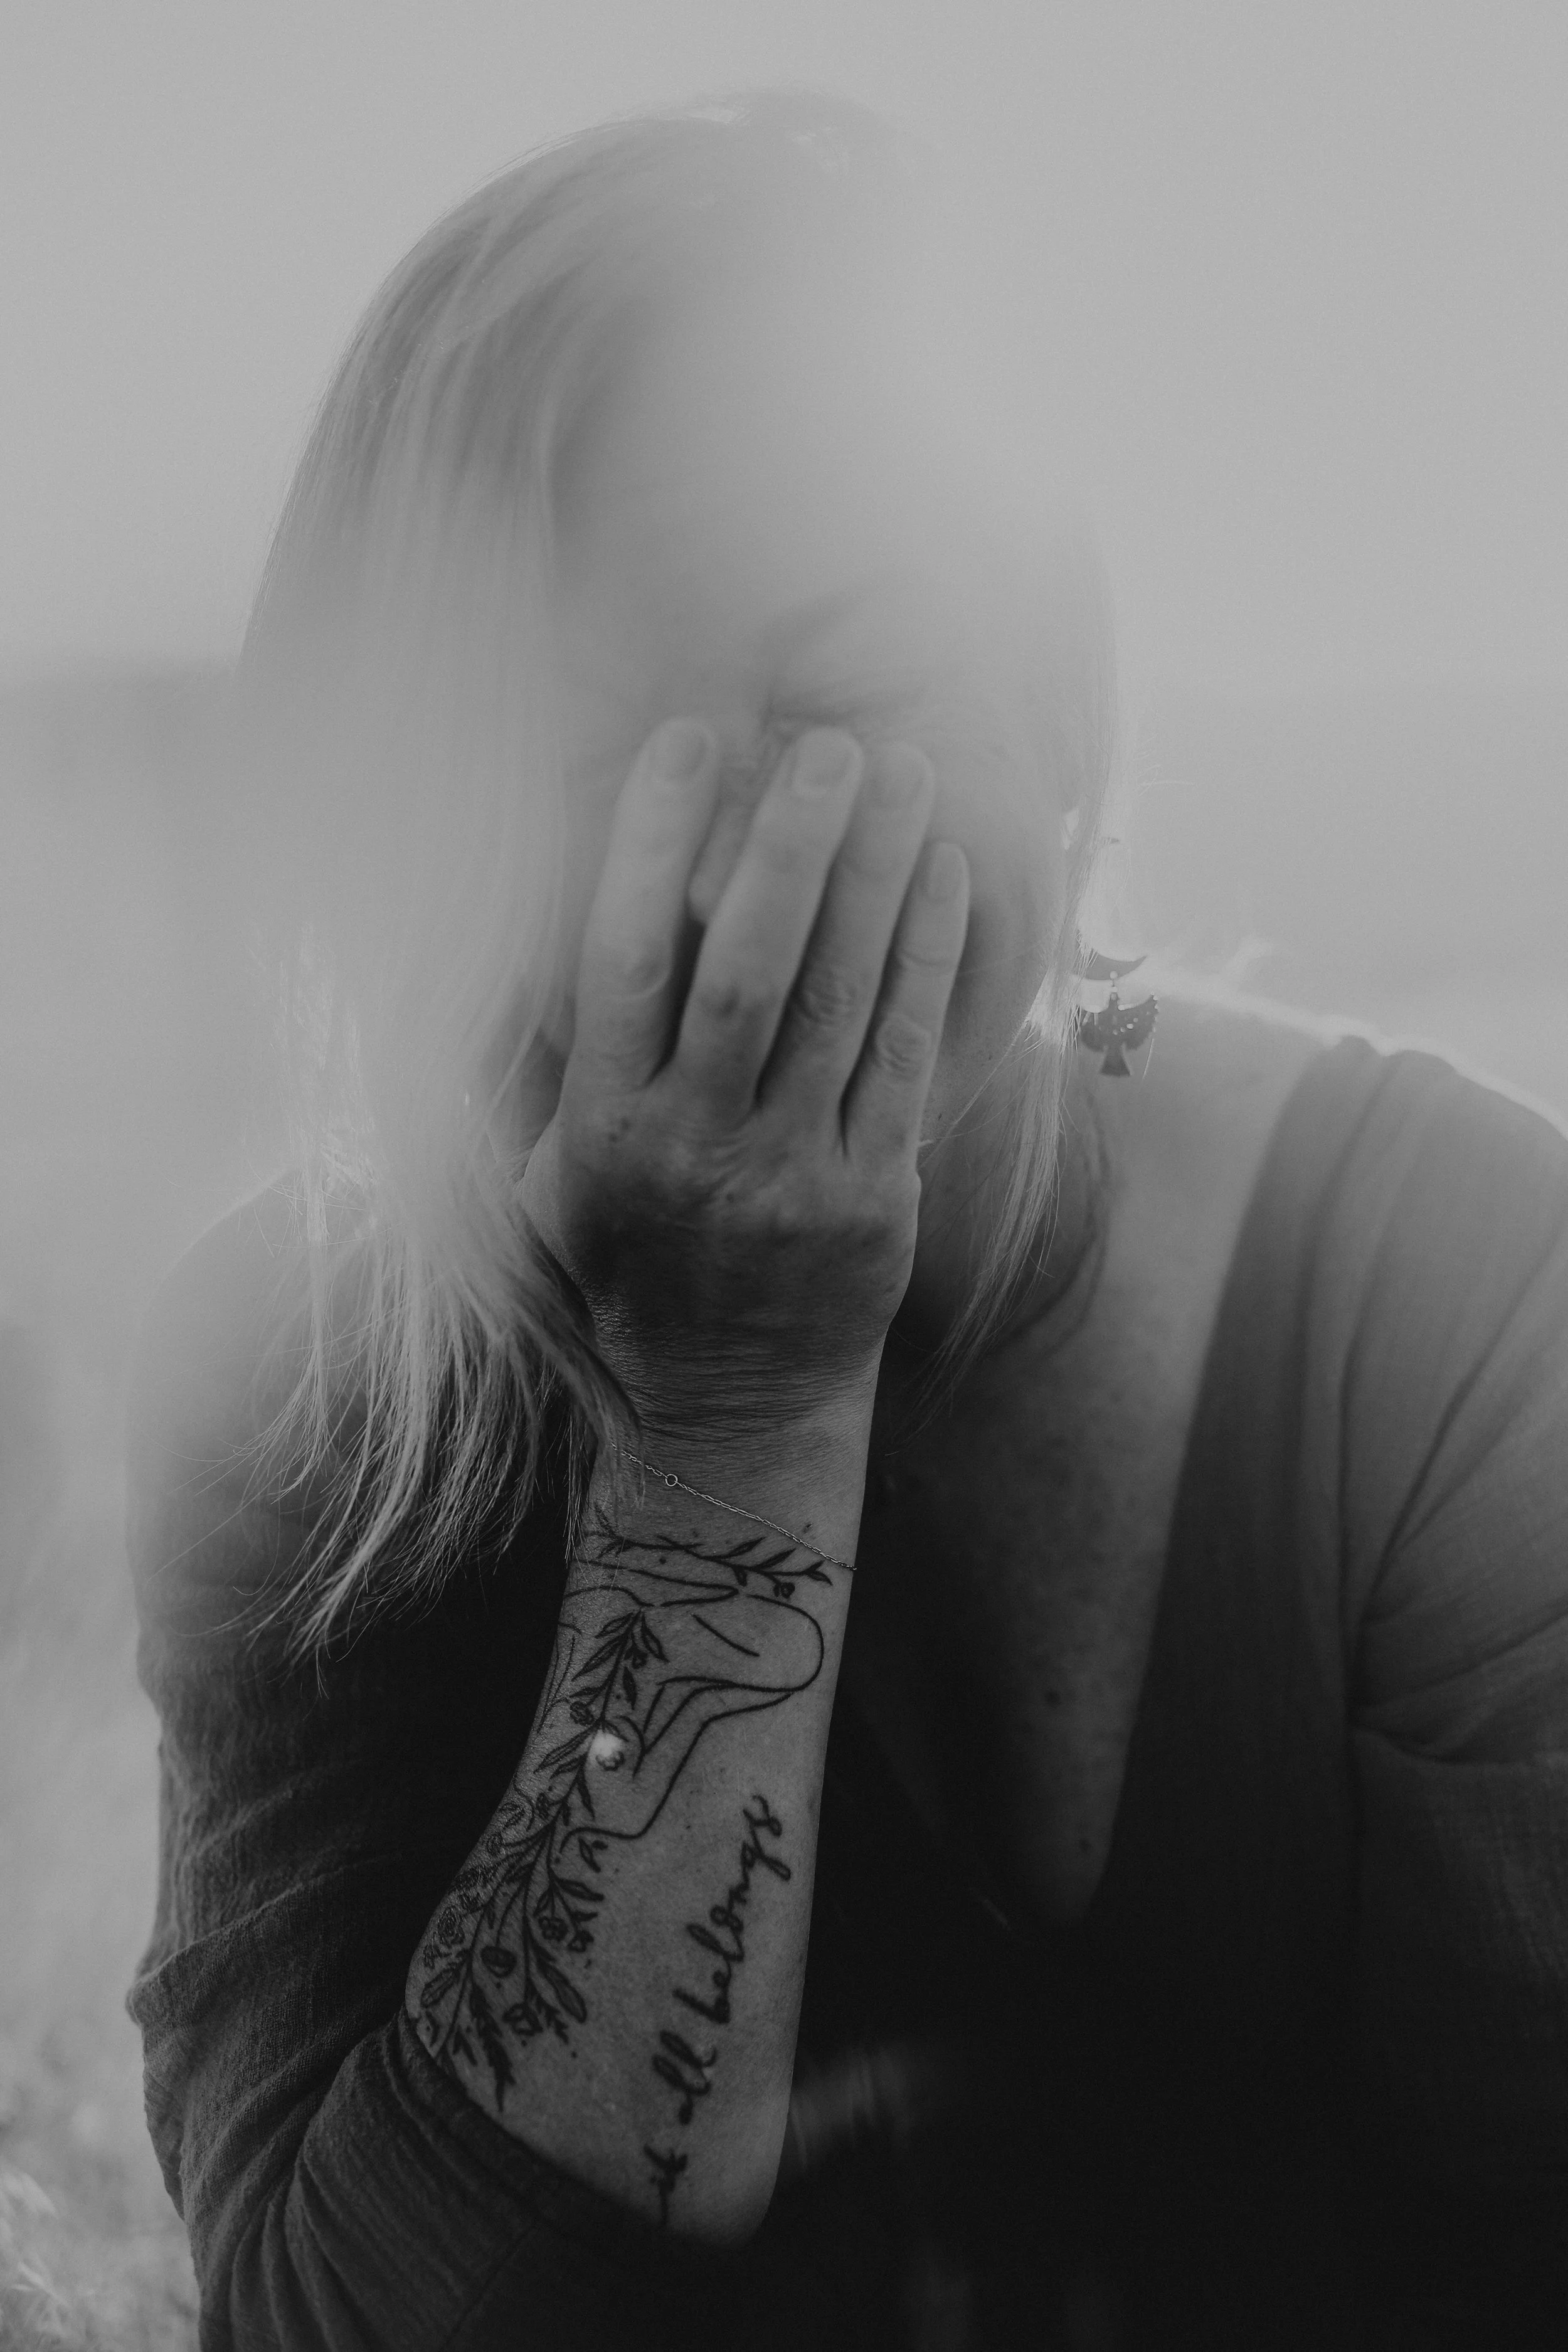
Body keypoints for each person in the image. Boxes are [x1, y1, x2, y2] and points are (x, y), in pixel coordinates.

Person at [124, 90, 1568, 2351]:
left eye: (837, 688)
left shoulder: (1462, 1304)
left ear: (1056, 709)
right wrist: (724, 1420)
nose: (728, 873)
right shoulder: (310, 1380)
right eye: (565, 761)